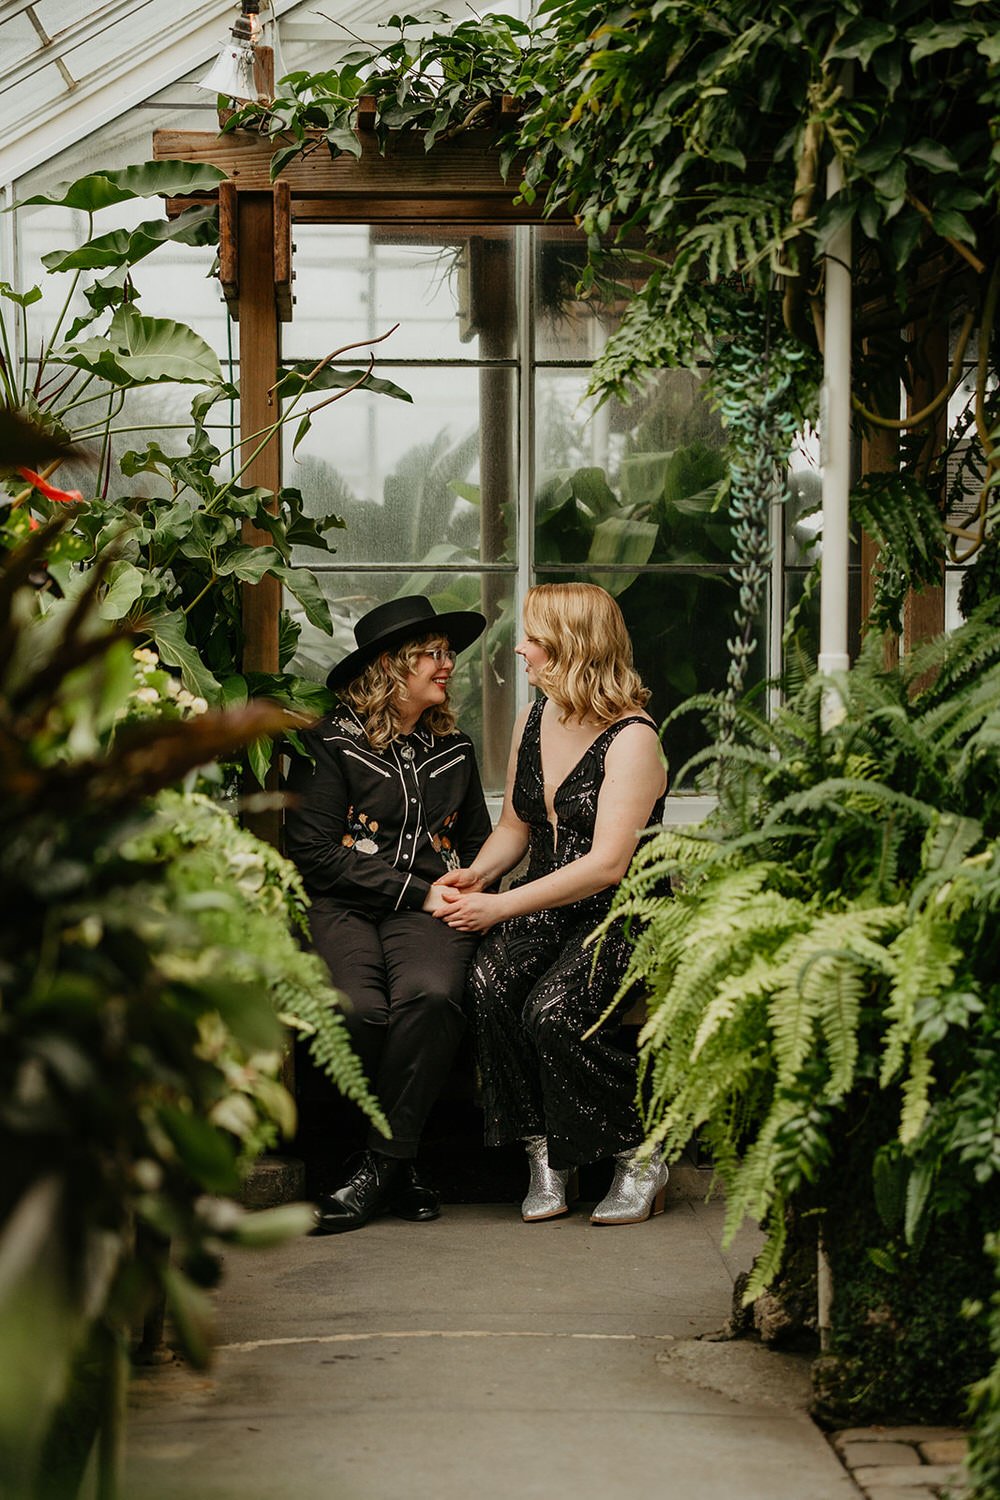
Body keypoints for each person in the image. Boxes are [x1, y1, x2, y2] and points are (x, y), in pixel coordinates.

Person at [434, 582, 668, 1225]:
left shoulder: (633, 739)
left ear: (572, 648)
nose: (520, 649)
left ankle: (639, 1147)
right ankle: (544, 1155)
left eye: (532, 639)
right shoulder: (536, 718)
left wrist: (501, 910)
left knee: (553, 1009)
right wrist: (475, 878)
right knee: (489, 980)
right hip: (548, 898)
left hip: (621, 909)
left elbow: (606, 865)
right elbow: (516, 826)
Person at [284, 595, 492, 1233]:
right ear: (389, 668)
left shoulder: (453, 748)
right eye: (431, 654)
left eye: (447, 652)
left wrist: (475, 884)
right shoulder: (329, 743)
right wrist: (416, 890)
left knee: (430, 997)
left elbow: (479, 839)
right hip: (344, 904)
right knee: (357, 1009)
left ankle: (380, 1166)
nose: (447, 663)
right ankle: (405, 1164)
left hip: (431, 910)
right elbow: (311, 851)